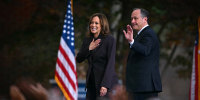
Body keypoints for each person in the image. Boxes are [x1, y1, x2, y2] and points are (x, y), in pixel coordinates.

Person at [76, 13, 118, 100]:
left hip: (104, 83)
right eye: (91, 23)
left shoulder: (109, 40)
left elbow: (111, 63)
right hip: (91, 82)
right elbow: (79, 59)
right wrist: (89, 48)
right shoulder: (87, 40)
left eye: (96, 23)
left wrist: (105, 85)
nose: (93, 25)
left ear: (102, 25)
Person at [123, 8, 162, 100]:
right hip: (140, 86)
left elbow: (145, 50)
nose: (132, 21)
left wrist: (132, 41)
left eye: (135, 18)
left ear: (145, 19)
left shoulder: (149, 33)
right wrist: (132, 41)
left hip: (145, 87)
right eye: (131, 18)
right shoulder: (141, 34)